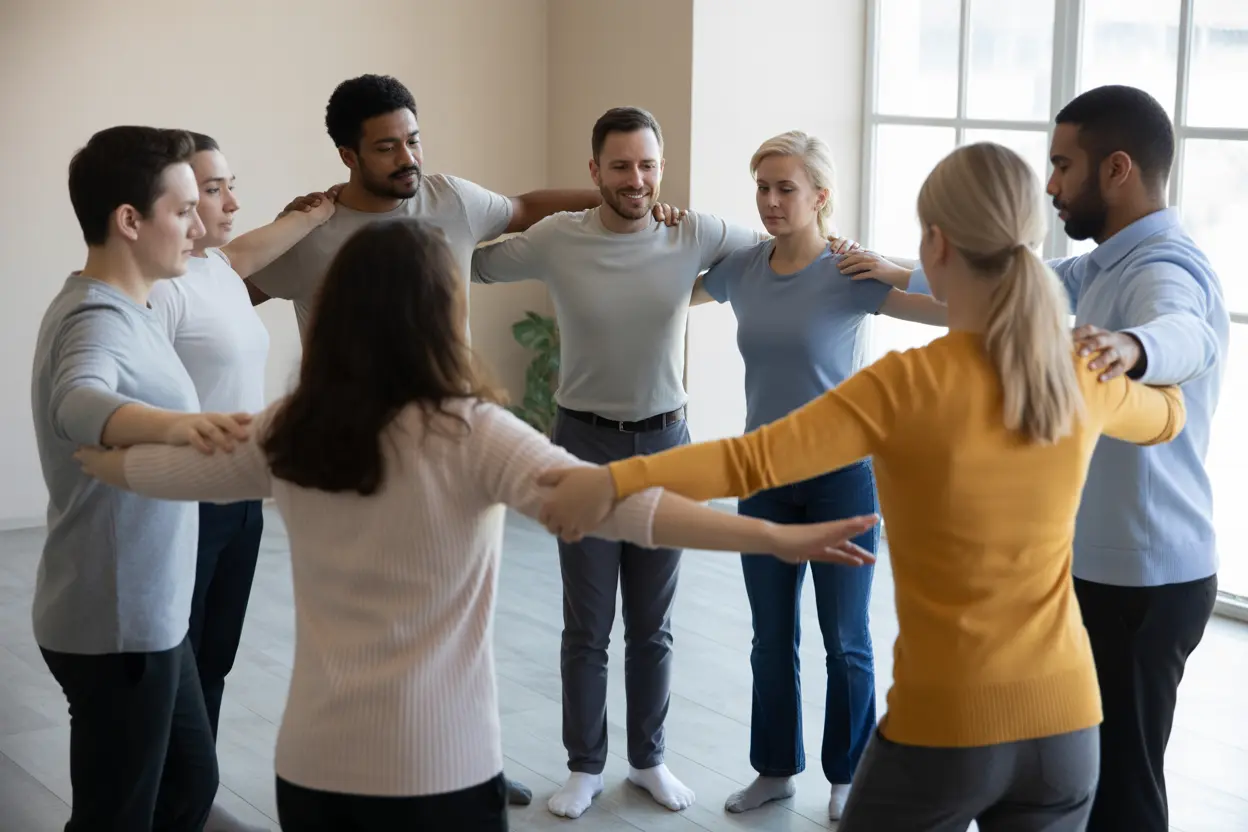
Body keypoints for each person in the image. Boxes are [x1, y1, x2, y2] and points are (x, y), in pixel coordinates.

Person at [72, 217, 881, 832]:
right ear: (440, 312)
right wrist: (771, 536)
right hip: (444, 765)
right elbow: (630, 508)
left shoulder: (293, 429)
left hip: (313, 764)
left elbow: (145, 470)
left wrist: (91, 449)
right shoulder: (472, 433)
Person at [535, 142, 1190, 831]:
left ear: (935, 245)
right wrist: (1130, 350)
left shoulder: (910, 384)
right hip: (1068, 727)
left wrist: (607, 482)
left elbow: (750, 461)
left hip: (946, 728)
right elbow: (1170, 415)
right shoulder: (1078, 373)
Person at [843, 85, 1228, 832]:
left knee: (1123, 792)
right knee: (1093, 783)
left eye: (1061, 165)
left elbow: (1189, 331)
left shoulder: (1166, 269)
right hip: (1104, 571)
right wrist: (893, 270)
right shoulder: (1101, 266)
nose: (1048, 184)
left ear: (1117, 169)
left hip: (1147, 583)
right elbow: (1015, 283)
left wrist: (1135, 346)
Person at [244, 73, 627, 805]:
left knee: (461, 628)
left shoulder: (449, 198)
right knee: (369, 628)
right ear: (347, 154)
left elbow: (524, 209)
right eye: (386, 147)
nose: (406, 156)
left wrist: (619, 200)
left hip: (455, 450)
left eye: (412, 139)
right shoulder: (312, 232)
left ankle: (467, 760)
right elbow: (226, 290)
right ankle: (360, 771)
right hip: (351, 454)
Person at [470, 105, 787, 820]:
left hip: (668, 446)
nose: (636, 179)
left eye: (647, 165)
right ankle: (584, 765)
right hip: (581, 446)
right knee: (587, 623)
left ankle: (647, 759)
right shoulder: (558, 239)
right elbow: (475, 261)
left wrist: (865, 262)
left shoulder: (692, 231)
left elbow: (775, 249)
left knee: (653, 622)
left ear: (661, 168)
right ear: (595, 173)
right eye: (620, 166)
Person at [680, 129, 944, 820]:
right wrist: (662, 227)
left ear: (820, 196)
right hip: (763, 474)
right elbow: (668, 293)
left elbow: (954, 308)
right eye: (762, 187)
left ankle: (847, 777)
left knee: (846, 640)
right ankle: (773, 769)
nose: (769, 200)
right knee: (771, 638)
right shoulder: (743, 268)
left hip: (841, 480)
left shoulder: (848, 273)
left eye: (784, 188)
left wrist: (889, 267)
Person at [30, 125, 251, 831]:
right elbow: (77, 401)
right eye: (184, 210)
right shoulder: (98, 317)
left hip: (148, 615)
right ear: (130, 220)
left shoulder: (131, 309)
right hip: (115, 623)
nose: (198, 225)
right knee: (119, 814)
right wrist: (175, 426)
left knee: (189, 782)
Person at [147, 130, 335, 832]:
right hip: (184, 504)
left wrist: (320, 211)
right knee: (179, 668)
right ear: (177, 198)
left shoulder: (221, 270)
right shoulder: (161, 290)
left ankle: (191, 798)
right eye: (213, 188)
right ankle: (171, 801)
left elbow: (265, 238)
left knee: (214, 663)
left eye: (228, 185)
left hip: (240, 502)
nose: (229, 200)